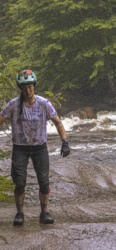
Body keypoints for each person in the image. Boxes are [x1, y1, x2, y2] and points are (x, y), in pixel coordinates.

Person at [0, 69, 70, 226]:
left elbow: (57, 122)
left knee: (44, 181)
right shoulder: (13, 105)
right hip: (20, 148)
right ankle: (19, 213)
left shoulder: (44, 104)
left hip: (40, 148)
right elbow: (1, 118)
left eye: (30, 86)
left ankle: (44, 212)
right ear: (20, 89)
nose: (27, 90)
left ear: (34, 86)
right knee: (19, 182)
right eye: (24, 87)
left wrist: (64, 142)